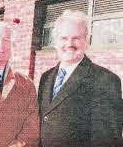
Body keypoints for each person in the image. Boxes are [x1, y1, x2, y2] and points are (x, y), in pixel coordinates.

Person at [38, 9, 123, 147]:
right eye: (64, 38)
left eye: (76, 38)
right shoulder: (46, 78)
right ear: (55, 41)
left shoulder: (105, 80)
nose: (69, 44)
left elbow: (108, 140)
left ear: (87, 41)